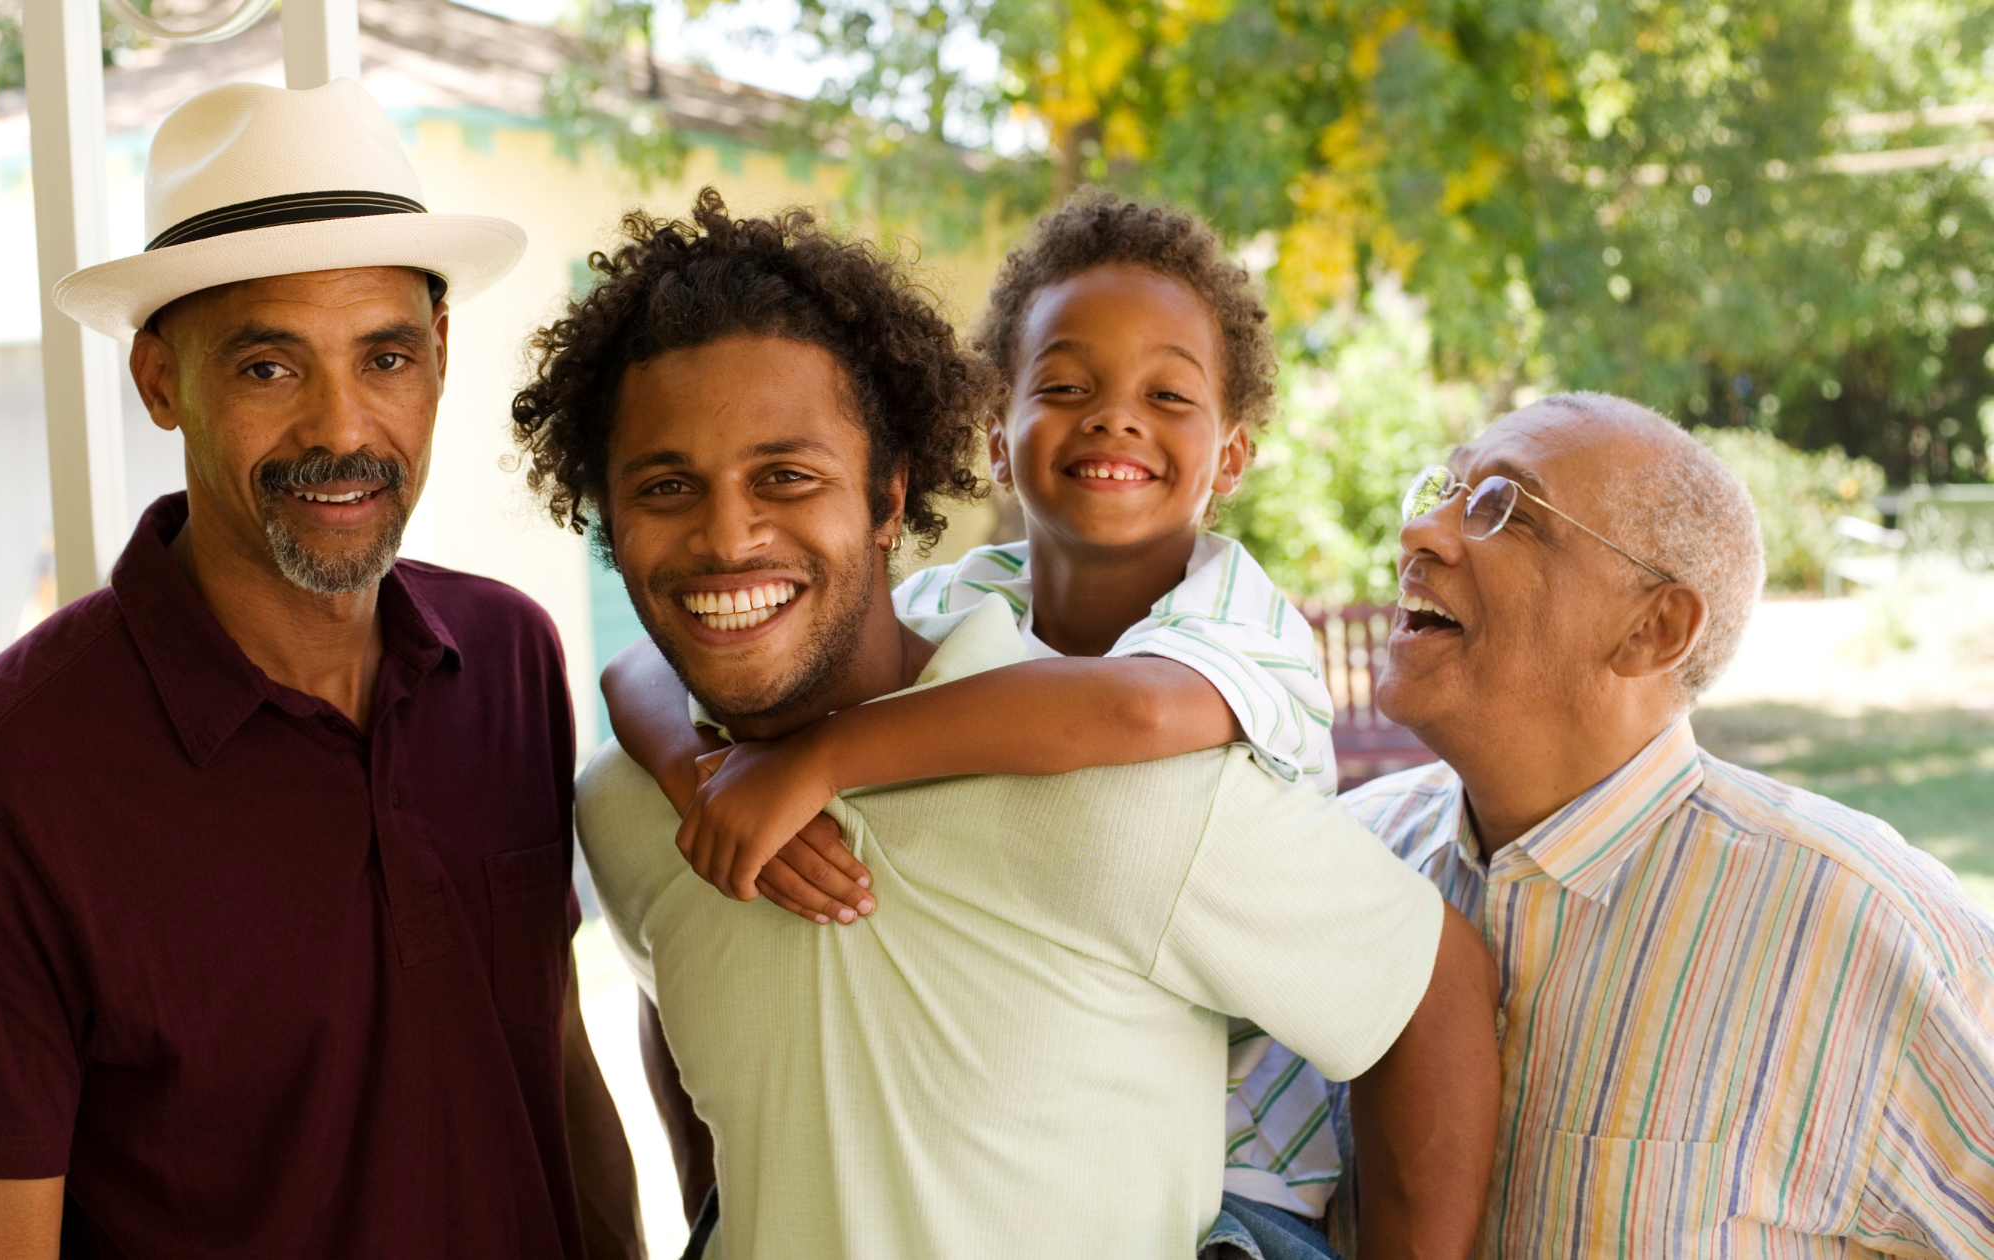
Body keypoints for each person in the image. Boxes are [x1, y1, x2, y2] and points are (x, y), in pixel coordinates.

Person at [515, 188, 1501, 1260]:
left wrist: (826, 760)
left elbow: (1427, 994)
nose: (727, 535)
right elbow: (689, 996)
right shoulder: (626, 807)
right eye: (664, 487)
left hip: (1256, 1184)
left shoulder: (1140, 775)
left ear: (889, 498)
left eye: (786, 477)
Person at [0, 80, 639, 1260]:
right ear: (162, 379)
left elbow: (550, 1052)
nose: (342, 428)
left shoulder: (509, 660)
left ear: (439, 356)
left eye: (383, 356)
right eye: (268, 368)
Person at [1348, 391, 1994, 1257]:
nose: (1422, 535)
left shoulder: (1859, 925)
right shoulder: (1342, 856)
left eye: (1504, 508)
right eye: (1441, 493)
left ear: (1653, 629)